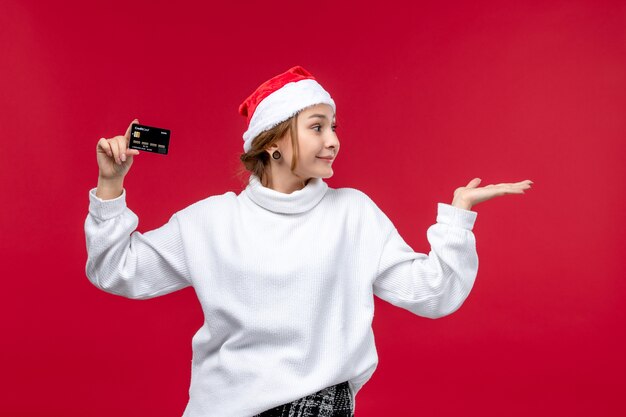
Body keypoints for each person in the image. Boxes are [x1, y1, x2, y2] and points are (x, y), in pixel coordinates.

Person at [85, 65, 533, 417]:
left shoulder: (353, 214)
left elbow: (433, 293)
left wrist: (458, 216)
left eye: (334, 127)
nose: (334, 141)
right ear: (274, 143)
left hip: (321, 406)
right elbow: (116, 270)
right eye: (317, 127)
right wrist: (110, 186)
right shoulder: (210, 222)